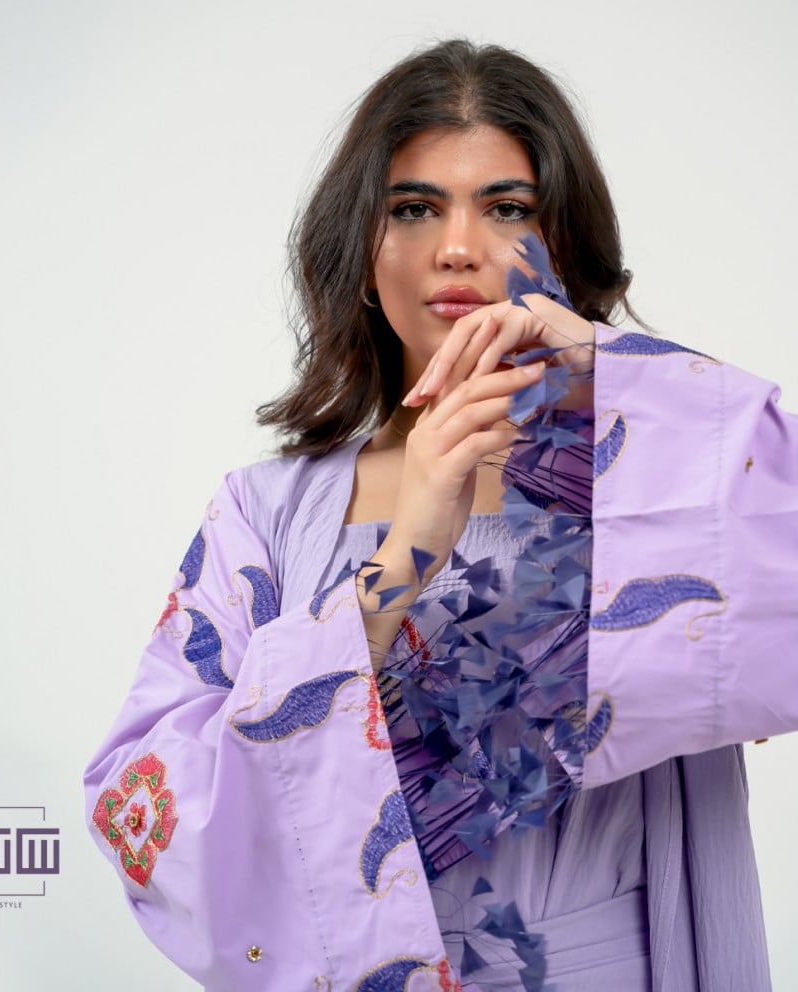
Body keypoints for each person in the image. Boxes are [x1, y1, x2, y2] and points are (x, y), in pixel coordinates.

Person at [84, 40, 798, 991]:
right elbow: (147, 818)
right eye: (414, 208)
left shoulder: (663, 480)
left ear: (565, 246)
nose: (458, 246)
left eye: (508, 208)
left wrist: (608, 371)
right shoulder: (263, 513)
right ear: (360, 252)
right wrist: (401, 561)